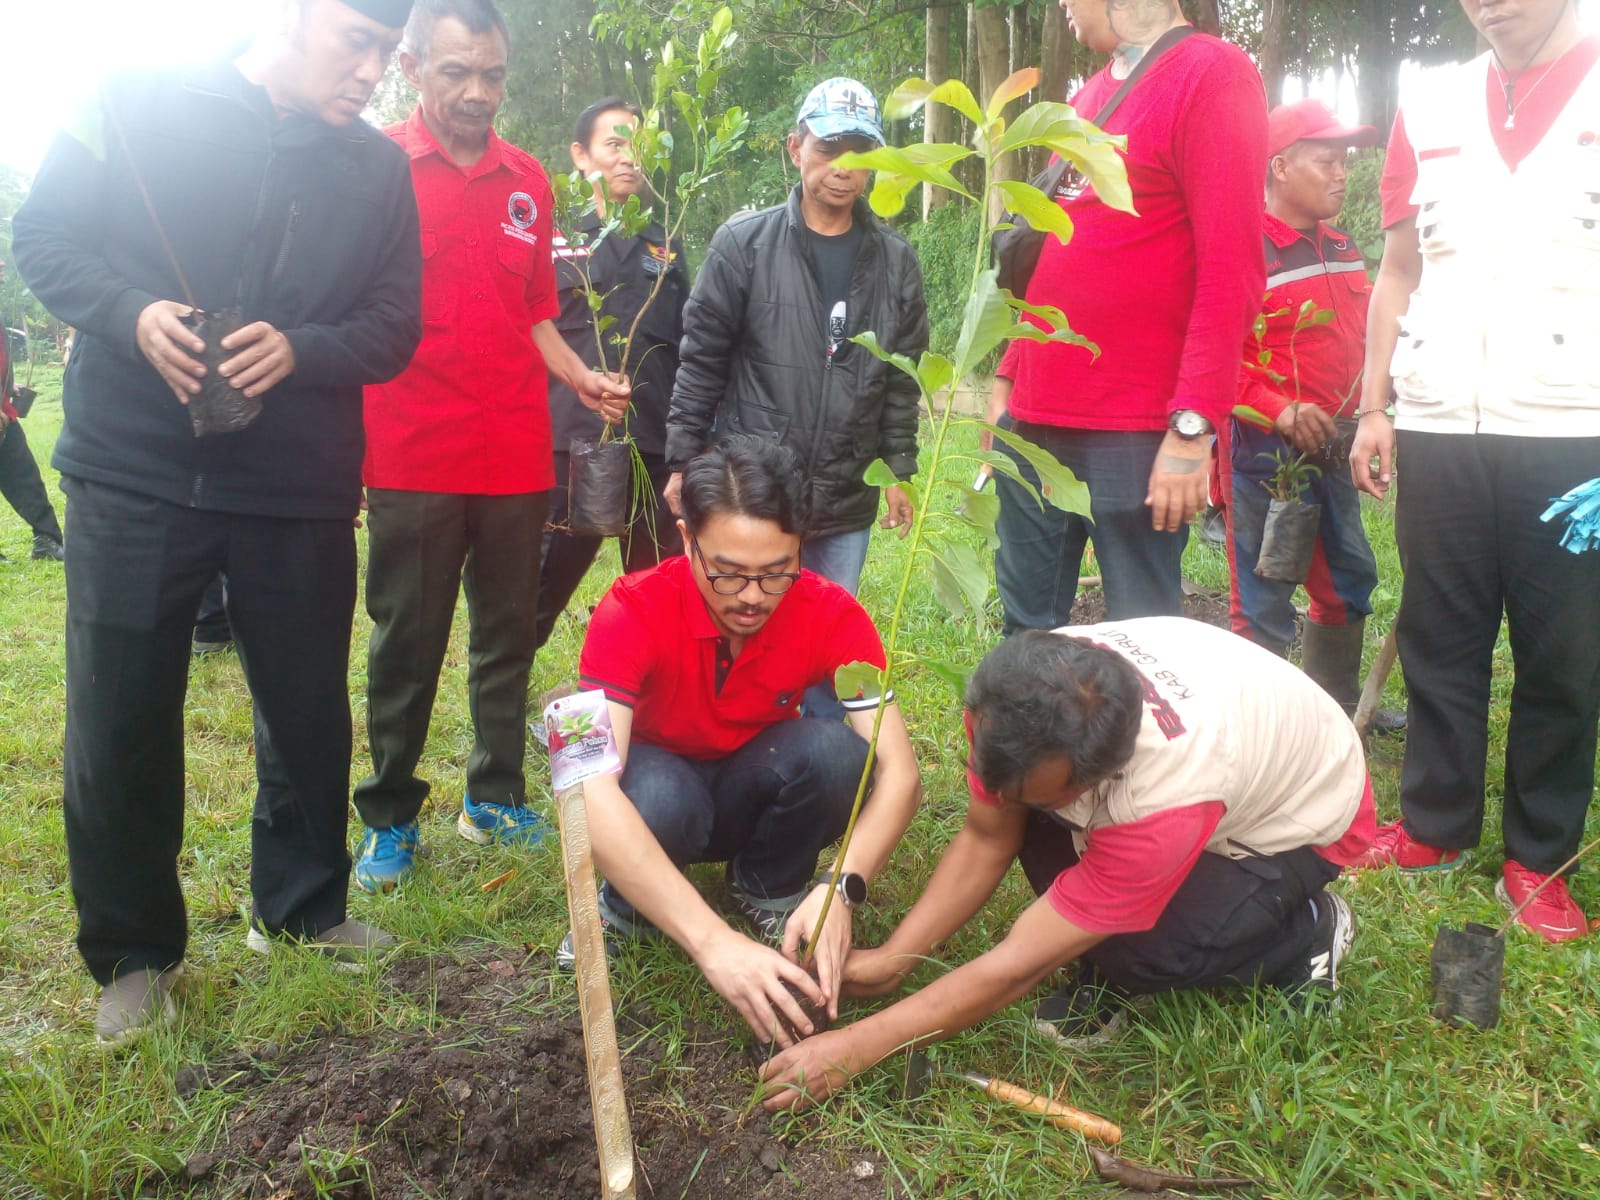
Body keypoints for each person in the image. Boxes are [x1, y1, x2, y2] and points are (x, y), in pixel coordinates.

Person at [13, 0, 423, 1044]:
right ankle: (134, 954)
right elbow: (44, 237)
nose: (372, 72)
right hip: (133, 470)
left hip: (297, 480)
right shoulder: (133, 97)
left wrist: (303, 348)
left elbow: (392, 322)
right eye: (356, 43)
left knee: (304, 704)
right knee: (120, 713)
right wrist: (127, 311)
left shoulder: (376, 170)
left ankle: (302, 908)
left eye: (387, 51)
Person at [759, 618, 1375, 1110]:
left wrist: (858, 1047)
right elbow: (985, 834)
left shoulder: (1165, 797)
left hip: (1298, 826)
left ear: (1099, 778)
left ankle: (1308, 927)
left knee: (1140, 953)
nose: (994, 798)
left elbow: (1017, 967)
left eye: (1033, 794)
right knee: (1030, 830)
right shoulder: (1018, 695)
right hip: (1238, 747)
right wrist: (896, 960)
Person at [351, 0, 629, 894]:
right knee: (409, 636)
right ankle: (390, 816)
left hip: (514, 448)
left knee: (506, 632)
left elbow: (536, 309)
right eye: (456, 72)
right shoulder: (375, 166)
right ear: (411, 66)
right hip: (409, 450)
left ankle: (494, 796)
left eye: (493, 74)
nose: (477, 92)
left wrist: (579, 378)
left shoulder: (527, 181)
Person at [1349, 0, 1600, 943]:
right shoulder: (1435, 100)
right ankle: (1434, 826)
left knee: (1565, 658)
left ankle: (1539, 859)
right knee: (1439, 635)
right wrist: (1376, 404)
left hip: (1577, 435)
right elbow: (1400, 269)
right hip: (1441, 422)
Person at [571, 435, 922, 1047]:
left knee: (840, 756)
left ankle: (771, 885)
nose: (753, 597)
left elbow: (899, 774)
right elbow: (583, 788)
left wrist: (842, 886)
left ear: (801, 549)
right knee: (655, 797)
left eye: (776, 572)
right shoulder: (626, 609)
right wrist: (712, 943)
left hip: (752, 777)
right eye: (728, 574)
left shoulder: (833, 614)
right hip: (660, 785)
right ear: (687, 540)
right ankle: (626, 910)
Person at [990, 0, 1266, 633]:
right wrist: (1009, 377)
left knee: (1143, 640)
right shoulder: (1087, 98)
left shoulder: (1212, 74)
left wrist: (1193, 429)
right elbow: (1051, 255)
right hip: (1034, 420)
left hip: (1136, 429)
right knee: (1028, 629)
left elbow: (1233, 267)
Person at [664, 77, 926, 601]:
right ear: (796, 148)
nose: (843, 168)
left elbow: (900, 381)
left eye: (860, 152)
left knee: (823, 639)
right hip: (753, 488)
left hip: (847, 488)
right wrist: (682, 462)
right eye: (828, 148)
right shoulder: (743, 246)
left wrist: (898, 471)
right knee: (745, 625)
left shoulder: (896, 262)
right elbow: (701, 361)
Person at [1224, 99, 1400, 730]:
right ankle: (1260, 728)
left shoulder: (1344, 245)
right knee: (1265, 586)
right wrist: (1279, 409)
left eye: (1345, 160)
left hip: (1336, 442)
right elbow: (1216, 359)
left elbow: (1361, 339)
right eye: (1326, 159)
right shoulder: (1242, 251)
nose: (1341, 172)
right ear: (1279, 167)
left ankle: (1336, 708)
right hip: (1265, 454)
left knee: (1347, 575)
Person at [534, 96, 688, 653]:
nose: (629, 159)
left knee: (659, 592)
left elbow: (687, 338)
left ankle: (649, 713)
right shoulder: (550, 235)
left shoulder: (665, 241)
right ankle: (501, 705)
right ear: (581, 155)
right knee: (537, 587)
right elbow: (529, 328)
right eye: (614, 144)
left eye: (637, 147)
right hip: (568, 443)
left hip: (651, 444)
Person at [0, 269, 65, 562]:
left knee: (23, 474)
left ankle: (47, 541)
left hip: (5, 411)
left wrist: (8, 384)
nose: (2, 266)